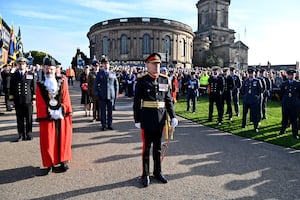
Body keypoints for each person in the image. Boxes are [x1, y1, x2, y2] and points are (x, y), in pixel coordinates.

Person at [133, 52, 178, 187]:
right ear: (147, 65)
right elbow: (137, 102)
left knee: (158, 148)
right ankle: (145, 174)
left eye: (158, 64)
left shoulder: (164, 79)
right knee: (146, 148)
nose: (157, 66)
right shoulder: (142, 80)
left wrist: (173, 116)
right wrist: (137, 119)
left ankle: (157, 172)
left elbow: (168, 100)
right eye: (154, 64)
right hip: (147, 118)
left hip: (160, 119)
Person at [36, 57, 73, 174]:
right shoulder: (40, 84)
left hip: (62, 116)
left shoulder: (63, 82)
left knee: (63, 139)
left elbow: (66, 97)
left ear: (55, 69)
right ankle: (48, 164)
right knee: (48, 140)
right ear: (43, 68)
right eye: (46, 68)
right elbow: (39, 101)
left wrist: (63, 110)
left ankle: (63, 161)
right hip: (47, 117)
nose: (49, 70)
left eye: (51, 68)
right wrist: (49, 112)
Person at [9, 57, 36, 141]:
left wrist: (34, 99)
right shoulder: (14, 75)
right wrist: (11, 100)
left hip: (28, 99)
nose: (21, 65)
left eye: (23, 64)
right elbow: (11, 88)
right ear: (17, 65)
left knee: (29, 118)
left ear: (25, 65)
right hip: (18, 100)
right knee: (19, 118)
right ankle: (21, 134)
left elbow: (33, 87)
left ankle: (29, 134)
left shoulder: (31, 74)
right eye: (19, 64)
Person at [94, 57, 119, 131]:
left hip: (111, 95)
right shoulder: (100, 73)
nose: (106, 65)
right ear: (102, 65)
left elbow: (116, 84)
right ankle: (103, 125)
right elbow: (96, 84)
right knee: (103, 111)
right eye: (104, 63)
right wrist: (97, 93)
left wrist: (116, 93)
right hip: (102, 95)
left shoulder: (113, 73)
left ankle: (110, 125)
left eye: (107, 63)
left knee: (110, 111)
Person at [278, 69, 300, 139]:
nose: (291, 76)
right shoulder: (284, 83)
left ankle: (295, 133)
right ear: (287, 75)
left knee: (294, 119)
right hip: (286, 103)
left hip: (294, 104)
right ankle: (282, 130)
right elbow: (281, 93)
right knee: (284, 118)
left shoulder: (298, 84)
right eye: (289, 75)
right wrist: (283, 101)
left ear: (294, 75)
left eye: (292, 75)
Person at [240, 67, 262, 133]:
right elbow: (242, 90)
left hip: (254, 100)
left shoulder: (257, 81)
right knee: (244, 113)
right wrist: (244, 96)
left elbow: (260, 90)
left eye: (252, 73)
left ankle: (256, 126)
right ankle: (243, 124)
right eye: (249, 73)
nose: (250, 75)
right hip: (246, 99)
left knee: (254, 114)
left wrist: (256, 96)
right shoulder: (245, 81)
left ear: (254, 73)